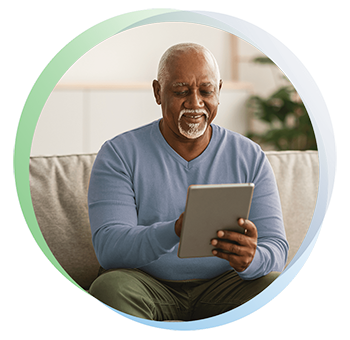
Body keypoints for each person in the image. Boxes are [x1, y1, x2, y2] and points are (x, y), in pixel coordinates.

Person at [88, 42, 289, 321]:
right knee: (108, 288)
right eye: (181, 91)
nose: (195, 103)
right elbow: (109, 249)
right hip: (146, 284)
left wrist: (253, 259)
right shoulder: (119, 154)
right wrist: (175, 230)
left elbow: (276, 247)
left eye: (206, 91)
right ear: (158, 92)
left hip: (224, 286)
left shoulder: (249, 155)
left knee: (278, 288)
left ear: (218, 91)